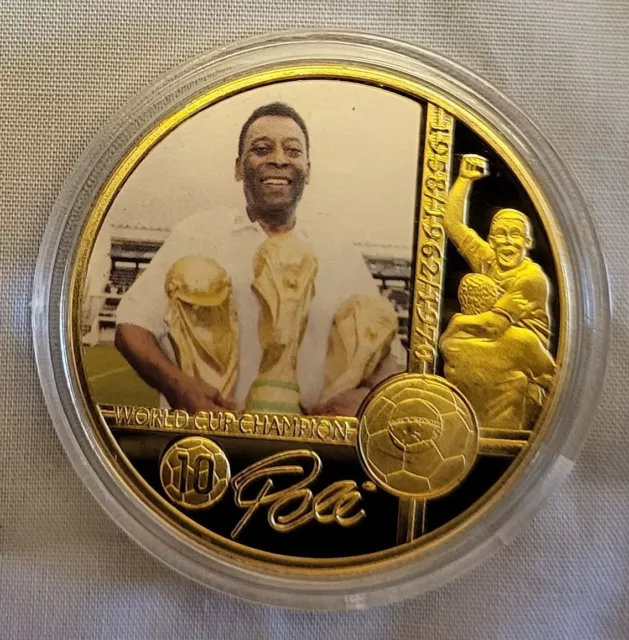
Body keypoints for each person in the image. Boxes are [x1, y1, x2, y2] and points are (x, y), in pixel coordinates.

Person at [115, 102, 404, 416]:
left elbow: (387, 357)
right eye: (262, 149)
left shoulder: (338, 251)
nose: (278, 159)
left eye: (292, 151)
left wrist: (365, 397)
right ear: (239, 167)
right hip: (212, 441)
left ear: (308, 170)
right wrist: (177, 386)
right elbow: (131, 326)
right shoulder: (198, 234)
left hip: (311, 444)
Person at [443, 154, 551, 348]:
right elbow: (452, 224)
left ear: (528, 242)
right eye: (501, 234)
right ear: (491, 241)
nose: (507, 241)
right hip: (490, 336)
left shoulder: (531, 278)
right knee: (473, 283)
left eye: (515, 234)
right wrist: (464, 179)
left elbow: (495, 325)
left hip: (524, 348)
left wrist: (456, 323)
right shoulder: (487, 259)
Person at [440, 273, 556, 430]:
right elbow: (555, 381)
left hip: (463, 433)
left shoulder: (450, 342)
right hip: (511, 434)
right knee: (537, 388)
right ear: (495, 301)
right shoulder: (520, 340)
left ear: (463, 302)